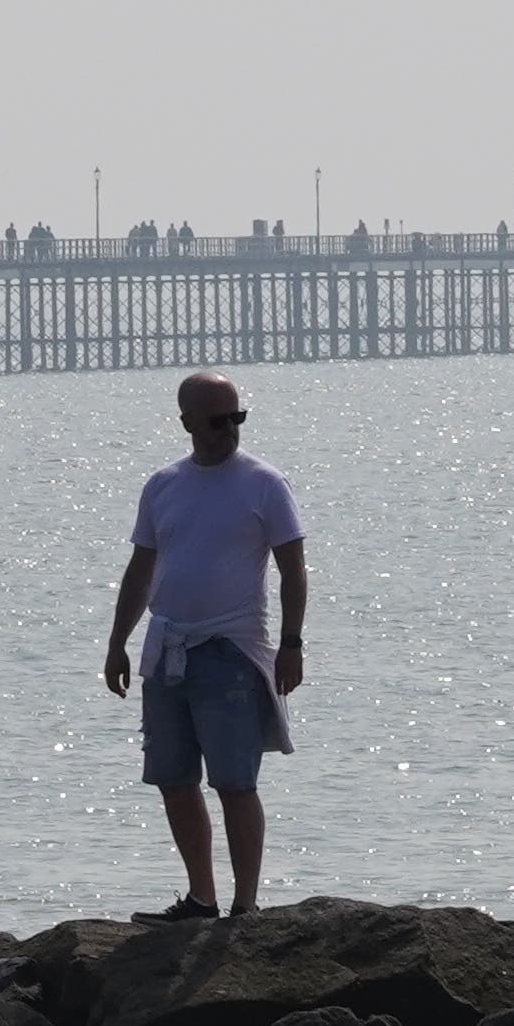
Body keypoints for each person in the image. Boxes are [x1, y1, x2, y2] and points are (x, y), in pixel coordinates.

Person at [103, 372, 307, 921]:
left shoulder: (265, 483)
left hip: (232, 652)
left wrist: (292, 643)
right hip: (167, 647)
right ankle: (201, 899)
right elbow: (141, 567)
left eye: (237, 418)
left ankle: (245, 905)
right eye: (217, 420)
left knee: (235, 782)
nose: (229, 430)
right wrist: (117, 642)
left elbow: (292, 568)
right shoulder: (163, 485)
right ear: (188, 421)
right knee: (172, 778)